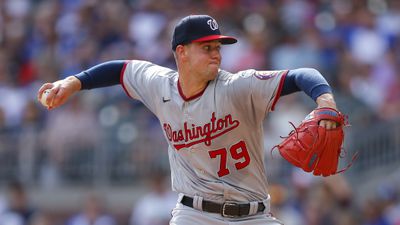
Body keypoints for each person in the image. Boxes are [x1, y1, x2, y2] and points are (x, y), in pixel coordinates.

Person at [37, 14, 340, 225]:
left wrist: (324, 99)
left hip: (253, 215)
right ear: (181, 53)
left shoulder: (238, 86)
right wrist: (73, 83)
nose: (216, 55)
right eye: (206, 48)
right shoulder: (159, 84)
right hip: (195, 215)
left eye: (218, 48)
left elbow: (302, 75)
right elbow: (120, 69)